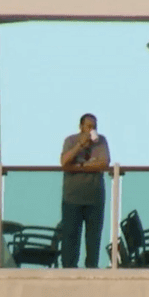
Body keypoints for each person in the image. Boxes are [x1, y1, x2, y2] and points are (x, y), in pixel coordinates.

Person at [59, 113, 111, 268]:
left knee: (93, 239)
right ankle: (69, 271)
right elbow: (64, 162)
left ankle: (91, 271)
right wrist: (79, 146)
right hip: (72, 198)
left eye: (94, 126)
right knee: (70, 238)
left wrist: (80, 166)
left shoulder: (101, 141)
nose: (91, 130)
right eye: (88, 126)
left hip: (94, 198)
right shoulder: (70, 141)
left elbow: (104, 163)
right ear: (81, 127)